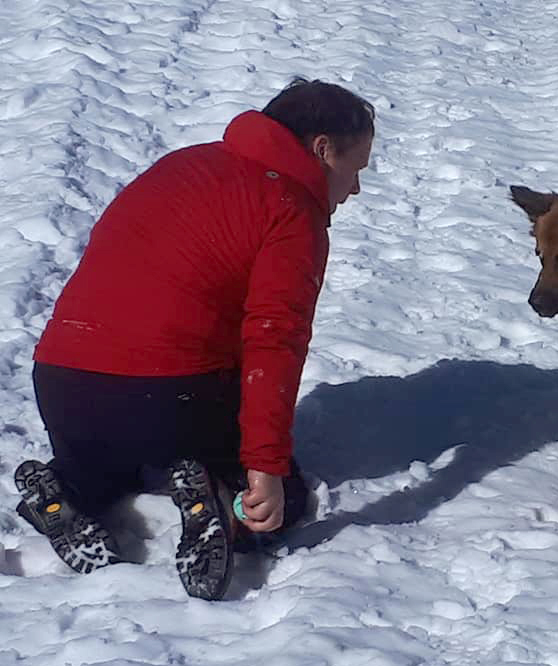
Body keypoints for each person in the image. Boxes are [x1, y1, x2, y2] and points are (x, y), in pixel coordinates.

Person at [13, 78, 374, 600]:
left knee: (110, 463)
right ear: (322, 149)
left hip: (62, 383)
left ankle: (70, 487)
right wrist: (266, 470)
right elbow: (275, 342)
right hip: (165, 395)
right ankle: (223, 500)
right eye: (355, 168)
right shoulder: (290, 207)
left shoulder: (184, 164)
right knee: (281, 501)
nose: (355, 189)